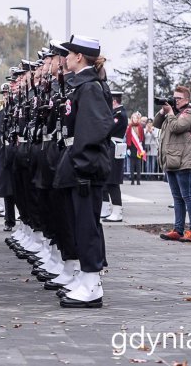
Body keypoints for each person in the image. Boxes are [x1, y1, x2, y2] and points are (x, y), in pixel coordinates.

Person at [53, 35, 113, 308]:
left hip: (85, 166)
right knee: (81, 223)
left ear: (79, 57)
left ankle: (91, 284)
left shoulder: (89, 87)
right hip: (79, 163)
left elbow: (94, 129)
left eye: (69, 53)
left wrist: (81, 163)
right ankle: (87, 278)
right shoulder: (82, 85)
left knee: (87, 226)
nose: (64, 58)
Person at [155, 86, 191, 243]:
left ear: (187, 100)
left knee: (188, 195)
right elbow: (156, 123)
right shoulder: (173, 114)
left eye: (178, 98)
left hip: (186, 160)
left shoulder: (189, 113)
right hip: (173, 161)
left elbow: (176, 127)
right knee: (177, 197)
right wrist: (163, 111)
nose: (175, 101)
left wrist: (169, 113)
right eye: (173, 98)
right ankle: (178, 229)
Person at [101, 90, 128, 223]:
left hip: (114, 148)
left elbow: (107, 128)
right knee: (106, 180)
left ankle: (117, 211)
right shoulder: (115, 113)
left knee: (113, 181)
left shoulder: (119, 114)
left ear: (114, 101)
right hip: (109, 147)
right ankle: (105, 208)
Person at [126, 111, 146, 186]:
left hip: (139, 148)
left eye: (136, 118)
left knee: (138, 165)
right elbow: (128, 138)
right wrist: (128, 148)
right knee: (132, 165)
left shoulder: (140, 127)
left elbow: (143, 139)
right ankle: (132, 179)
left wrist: (143, 149)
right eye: (133, 118)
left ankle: (138, 179)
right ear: (132, 119)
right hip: (131, 148)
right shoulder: (129, 127)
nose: (135, 119)